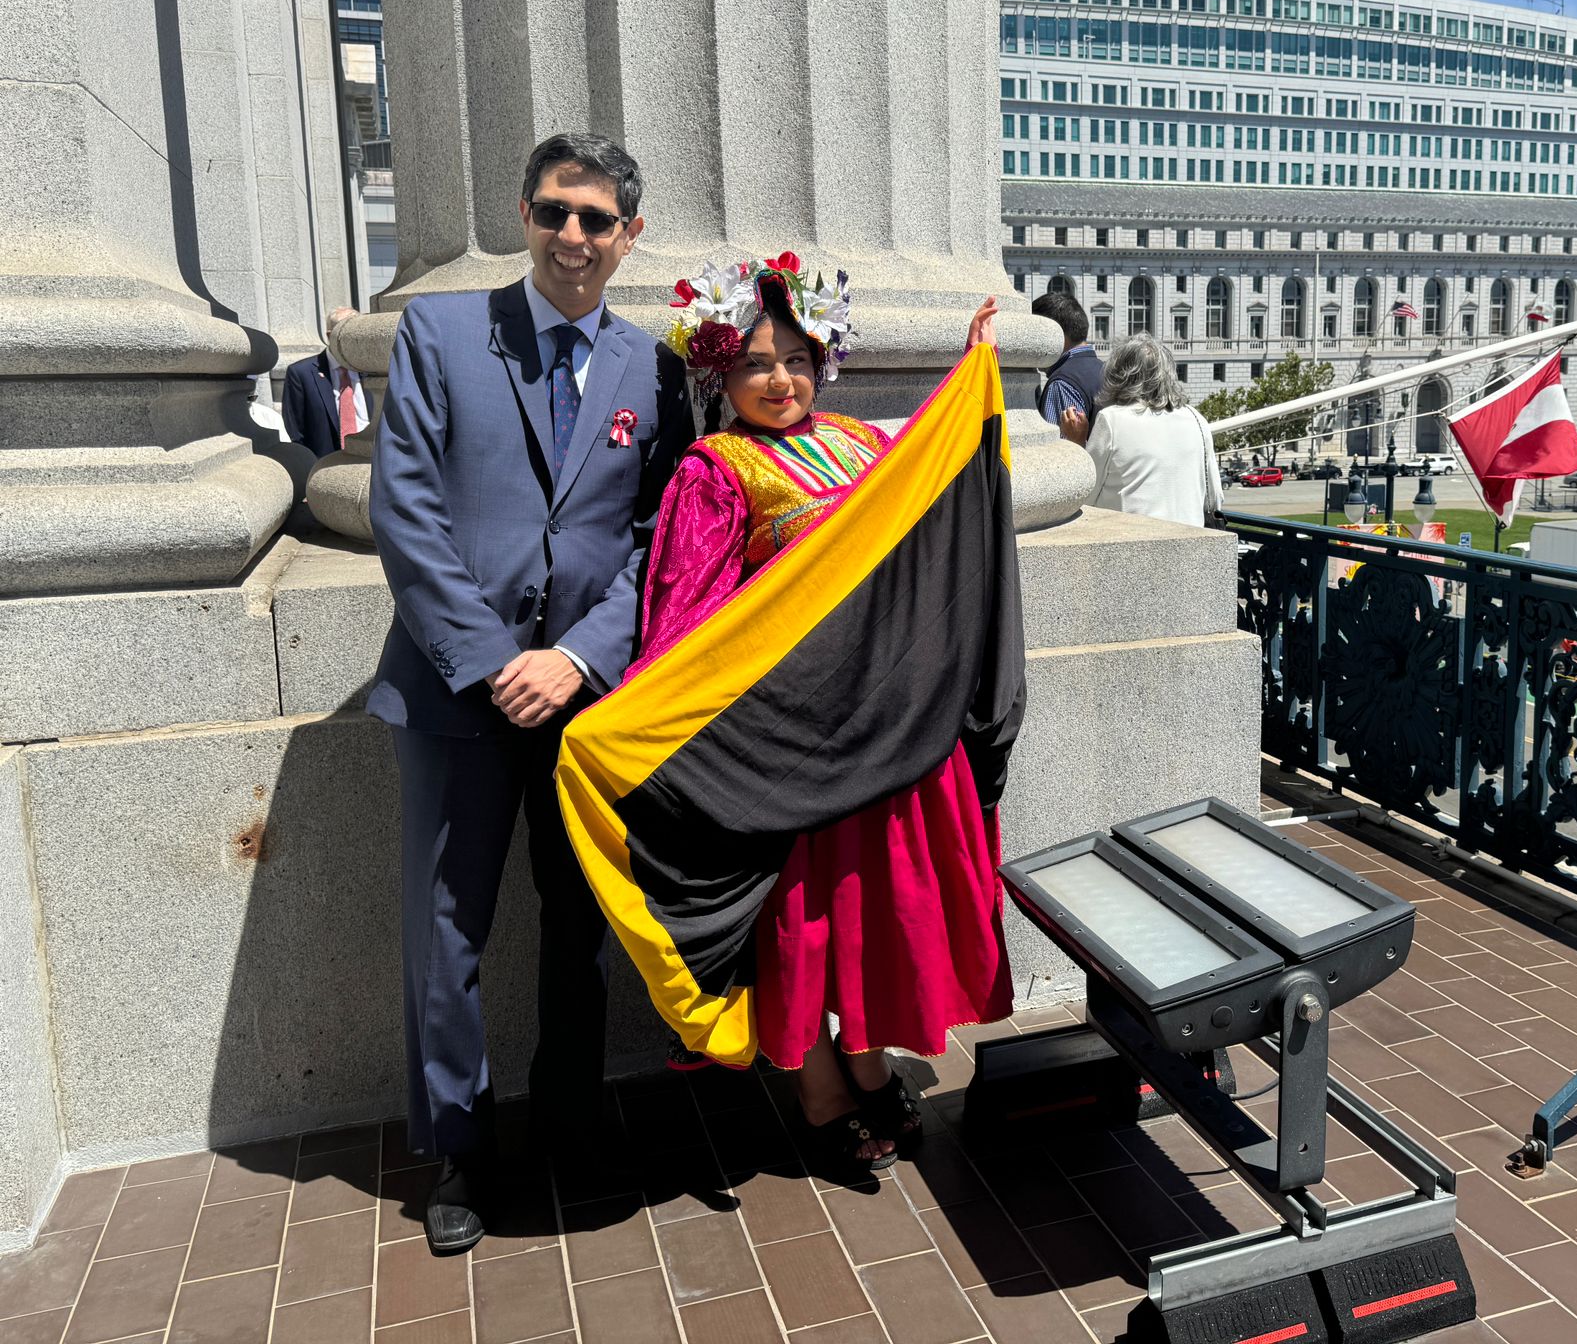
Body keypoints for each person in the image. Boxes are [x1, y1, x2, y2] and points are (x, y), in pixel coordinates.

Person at [557, 257, 1025, 1183]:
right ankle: (817, 1085)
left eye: (800, 360)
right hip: (793, 744)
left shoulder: (857, 441)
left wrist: (969, 387)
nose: (782, 381)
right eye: (759, 364)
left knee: (874, 918)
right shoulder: (713, 470)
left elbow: (921, 527)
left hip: (884, 732)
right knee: (803, 925)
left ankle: (866, 1057)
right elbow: (685, 622)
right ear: (719, 375)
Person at [367, 133, 693, 1254]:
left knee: (577, 924)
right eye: (555, 211)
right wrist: (492, 657)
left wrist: (579, 659)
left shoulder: (655, 372)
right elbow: (405, 510)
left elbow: (661, 543)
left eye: (596, 220)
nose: (572, 237)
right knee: (444, 929)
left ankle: (570, 1116)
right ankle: (458, 1146)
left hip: (586, 703)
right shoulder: (444, 333)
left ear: (627, 237)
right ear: (523, 212)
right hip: (457, 693)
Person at [1057, 332, 1225, 528]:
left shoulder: (1112, 419)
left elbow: (1086, 495)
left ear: (1118, 375)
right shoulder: (1196, 419)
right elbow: (1214, 498)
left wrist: (1076, 443)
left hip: (1133, 545)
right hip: (1191, 544)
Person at [283, 306, 370, 458]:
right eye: (345, 333)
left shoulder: (373, 371)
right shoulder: (301, 374)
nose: (353, 339)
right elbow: (296, 431)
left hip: (372, 461)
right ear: (330, 335)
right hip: (326, 466)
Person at [1032, 289, 1101, 432]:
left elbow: (1058, 451)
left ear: (1055, 334)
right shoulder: (1107, 370)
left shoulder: (1062, 384)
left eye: (1035, 335)